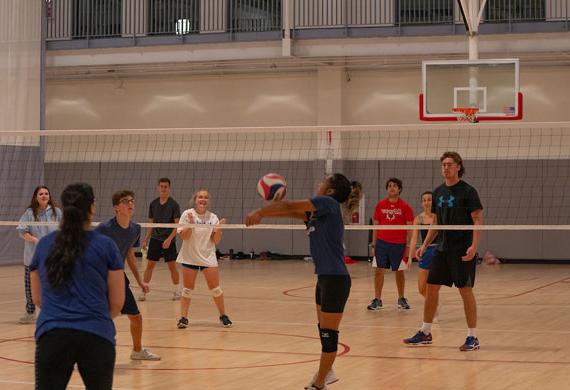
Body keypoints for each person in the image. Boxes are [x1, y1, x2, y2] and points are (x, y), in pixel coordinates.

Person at [245, 173, 361, 390]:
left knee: (329, 336)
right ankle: (329, 371)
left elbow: (289, 207)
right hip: (324, 278)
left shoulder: (328, 204)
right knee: (322, 329)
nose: (320, 182)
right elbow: (289, 211)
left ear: (330, 190)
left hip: (336, 280)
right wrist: (272, 205)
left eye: (324, 180)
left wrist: (260, 211)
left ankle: (319, 384)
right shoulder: (316, 214)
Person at [30, 183, 125, 390]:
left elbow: (38, 299)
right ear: (92, 207)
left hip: (53, 335)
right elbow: (117, 303)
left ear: (63, 208)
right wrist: (93, 317)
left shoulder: (44, 244)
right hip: (96, 335)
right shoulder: (106, 245)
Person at [403, 151, 483, 351]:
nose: (445, 168)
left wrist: (474, 246)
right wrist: (424, 244)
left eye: (449, 164)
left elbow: (477, 220)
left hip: (462, 248)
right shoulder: (438, 192)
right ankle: (425, 332)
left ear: (458, 167)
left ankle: (473, 337)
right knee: (431, 288)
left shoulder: (468, 192)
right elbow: (437, 222)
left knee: (465, 290)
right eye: (443, 165)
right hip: (442, 248)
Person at [96, 190, 161, 360]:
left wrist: (140, 281)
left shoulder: (135, 229)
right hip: (99, 278)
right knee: (95, 318)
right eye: (125, 201)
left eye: (132, 200)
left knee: (136, 317)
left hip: (118, 278)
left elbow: (130, 256)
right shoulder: (104, 229)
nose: (130, 203)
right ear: (116, 207)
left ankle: (137, 351)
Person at [176, 189, 232, 329]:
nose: (203, 199)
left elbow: (216, 241)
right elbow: (184, 237)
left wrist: (218, 229)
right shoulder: (187, 214)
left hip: (208, 257)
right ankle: (183, 318)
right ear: (195, 200)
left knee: (216, 289)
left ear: (208, 201)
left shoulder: (213, 217)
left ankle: (223, 315)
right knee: (187, 289)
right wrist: (190, 223)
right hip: (190, 257)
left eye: (205, 197)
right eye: (200, 197)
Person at [17, 186, 62, 324]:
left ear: (49, 196)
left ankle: (54, 311)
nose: (44, 195)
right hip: (32, 257)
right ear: (36, 197)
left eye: (46, 193)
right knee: (30, 287)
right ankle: (30, 313)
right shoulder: (29, 213)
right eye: (41, 194)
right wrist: (34, 239)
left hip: (52, 257)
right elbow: (22, 231)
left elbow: (64, 230)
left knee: (53, 285)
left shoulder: (57, 212)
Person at [367, 178, 414, 311]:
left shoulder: (406, 207)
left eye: (394, 186)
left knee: (399, 272)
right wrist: (374, 244)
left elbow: (410, 229)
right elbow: (375, 226)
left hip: (398, 244)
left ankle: (401, 298)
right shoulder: (380, 205)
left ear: (399, 189)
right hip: (382, 243)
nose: (391, 188)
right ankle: (377, 299)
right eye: (389, 186)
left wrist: (411, 246)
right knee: (378, 271)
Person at [140, 178, 181, 301]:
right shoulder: (153, 204)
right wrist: (146, 239)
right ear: (158, 188)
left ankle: (177, 290)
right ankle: (144, 291)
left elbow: (177, 225)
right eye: (161, 186)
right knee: (150, 265)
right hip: (156, 239)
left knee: (172, 266)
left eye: (166, 186)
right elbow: (151, 223)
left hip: (169, 240)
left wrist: (169, 239)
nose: (163, 188)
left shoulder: (174, 204)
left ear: (169, 188)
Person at [408, 191, 437, 300]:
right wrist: (410, 257)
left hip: (439, 251)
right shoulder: (418, 219)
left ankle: (433, 307)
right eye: (424, 200)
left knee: (434, 285)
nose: (426, 202)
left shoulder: (438, 217)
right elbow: (414, 239)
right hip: (425, 252)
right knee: (421, 288)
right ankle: (434, 304)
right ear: (421, 203)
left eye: (429, 200)